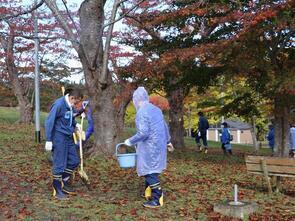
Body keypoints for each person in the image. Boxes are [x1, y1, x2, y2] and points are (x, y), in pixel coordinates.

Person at [124, 87, 172, 208]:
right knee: (152, 169)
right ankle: (148, 192)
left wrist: (130, 141)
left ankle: (157, 197)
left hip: (149, 147)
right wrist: (168, 141)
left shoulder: (141, 112)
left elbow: (143, 133)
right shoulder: (156, 109)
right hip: (159, 145)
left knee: (148, 171)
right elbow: (165, 126)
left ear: (136, 99)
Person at [45, 89, 83, 199]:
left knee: (74, 161)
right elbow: (49, 121)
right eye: (76, 102)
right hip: (59, 137)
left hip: (68, 136)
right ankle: (57, 189)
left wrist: (76, 125)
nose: (76, 105)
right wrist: (48, 139)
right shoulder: (59, 105)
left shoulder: (70, 105)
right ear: (72, 98)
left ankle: (63, 181)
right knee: (59, 164)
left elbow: (70, 117)